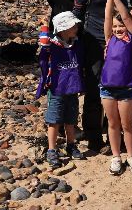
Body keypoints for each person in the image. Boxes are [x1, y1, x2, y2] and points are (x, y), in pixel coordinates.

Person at [72, 0, 132, 152]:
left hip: (120, 44)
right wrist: (76, 44)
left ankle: (115, 136)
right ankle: (93, 138)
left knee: (119, 88)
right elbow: (77, 13)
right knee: (94, 90)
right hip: (94, 43)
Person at [101, 0, 132, 175]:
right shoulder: (109, 39)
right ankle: (116, 156)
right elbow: (108, 16)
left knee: (127, 124)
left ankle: (131, 155)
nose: (119, 29)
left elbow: (125, 17)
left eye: (121, 27)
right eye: (116, 27)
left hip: (127, 88)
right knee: (112, 124)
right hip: (107, 89)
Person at [36, 12, 86, 169]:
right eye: (73, 25)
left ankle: (70, 145)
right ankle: (52, 149)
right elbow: (43, 42)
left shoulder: (76, 43)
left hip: (72, 89)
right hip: (57, 89)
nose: (77, 27)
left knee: (71, 120)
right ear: (63, 29)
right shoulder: (52, 44)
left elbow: (79, 66)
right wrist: (45, 25)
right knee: (54, 121)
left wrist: (82, 85)